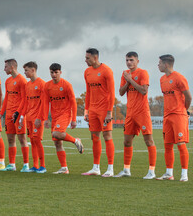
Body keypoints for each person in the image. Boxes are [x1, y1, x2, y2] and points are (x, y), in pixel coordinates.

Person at [116, 52, 157, 179]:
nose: (129, 62)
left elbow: (144, 91)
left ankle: (151, 171)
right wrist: (127, 81)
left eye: (131, 60)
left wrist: (130, 80)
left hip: (142, 112)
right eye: (127, 60)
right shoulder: (125, 74)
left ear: (137, 61)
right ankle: (126, 170)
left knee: (148, 141)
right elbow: (121, 93)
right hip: (130, 112)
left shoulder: (143, 73)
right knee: (127, 141)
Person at [82, 48, 116, 177]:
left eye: (87, 58)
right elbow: (88, 92)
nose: (85, 60)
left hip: (104, 110)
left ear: (95, 58)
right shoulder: (87, 72)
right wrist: (86, 110)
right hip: (93, 110)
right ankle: (96, 168)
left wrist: (109, 112)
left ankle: (110, 168)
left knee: (107, 137)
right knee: (94, 137)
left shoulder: (106, 71)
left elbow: (112, 93)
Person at [156, 54, 191, 182]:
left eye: (159, 63)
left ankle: (184, 174)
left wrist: (184, 110)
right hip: (167, 116)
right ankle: (169, 173)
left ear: (166, 64)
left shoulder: (179, 78)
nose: (158, 65)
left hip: (179, 116)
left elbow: (188, 96)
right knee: (167, 145)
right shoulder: (162, 79)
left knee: (181, 145)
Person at [44, 63, 83, 174]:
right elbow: (46, 103)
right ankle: (64, 168)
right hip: (55, 116)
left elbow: (73, 102)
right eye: (52, 72)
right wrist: (46, 118)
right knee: (57, 142)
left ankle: (76, 141)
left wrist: (74, 119)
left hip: (65, 114)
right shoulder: (47, 86)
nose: (54, 74)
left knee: (56, 133)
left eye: (56, 72)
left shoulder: (66, 85)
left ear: (60, 72)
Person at [0, 59, 29, 172]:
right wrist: (1, 113)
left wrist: (19, 113)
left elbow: (25, 99)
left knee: (22, 139)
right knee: (10, 139)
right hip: (8, 114)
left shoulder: (22, 80)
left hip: (18, 114)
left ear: (12, 67)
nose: (4, 69)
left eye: (5, 67)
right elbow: (6, 98)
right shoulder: (8, 81)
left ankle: (26, 165)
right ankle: (12, 165)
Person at [16, 61, 48, 173]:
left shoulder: (42, 84)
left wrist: (40, 118)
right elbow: (25, 102)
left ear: (33, 70)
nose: (24, 73)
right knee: (32, 141)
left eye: (26, 70)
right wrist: (22, 116)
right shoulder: (27, 85)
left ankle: (42, 166)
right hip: (29, 117)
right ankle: (35, 166)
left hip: (37, 118)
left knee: (37, 140)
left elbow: (44, 103)